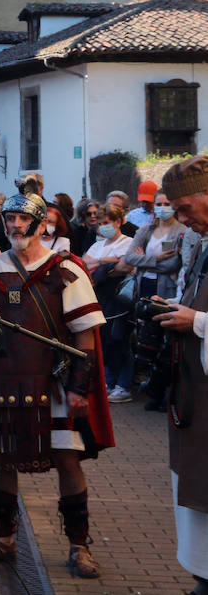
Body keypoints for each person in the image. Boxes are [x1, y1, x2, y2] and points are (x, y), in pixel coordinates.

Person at [0, 188, 115, 578]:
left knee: (67, 459)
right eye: (9, 219)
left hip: (56, 386)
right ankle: (4, 540)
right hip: (4, 383)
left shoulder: (66, 270)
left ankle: (79, 546)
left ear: (41, 223)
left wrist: (81, 388)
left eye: (23, 219)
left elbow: (84, 334)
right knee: (2, 462)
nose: (15, 225)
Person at [153, 156, 208, 595]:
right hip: (195, 404)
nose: (182, 220)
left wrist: (199, 323)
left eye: (186, 208)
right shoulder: (202, 243)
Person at [122, 190, 188, 410]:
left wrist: (144, 260)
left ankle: (166, 393)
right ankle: (153, 389)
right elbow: (129, 257)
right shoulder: (146, 229)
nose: (162, 207)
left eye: (167, 203)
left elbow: (172, 265)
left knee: (165, 342)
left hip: (166, 289)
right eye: (159, 203)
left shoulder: (181, 232)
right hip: (144, 287)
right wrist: (155, 258)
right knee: (146, 339)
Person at [83, 202, 136, 402]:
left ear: (118, 222)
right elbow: (83, 262)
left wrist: (99, 263)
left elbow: (124, 266)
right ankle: (109, 380)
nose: (104, 226)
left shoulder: (128, 242)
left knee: (120, 340)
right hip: (99, 298)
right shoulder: (97, 244)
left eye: (108, 222)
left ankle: (124, 384)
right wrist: (109, 261)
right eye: (101, 222)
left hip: (119, 298)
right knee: (104, 340)